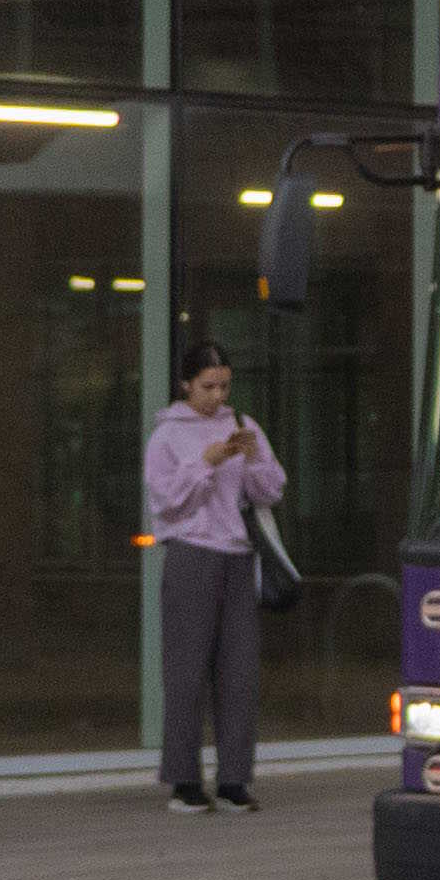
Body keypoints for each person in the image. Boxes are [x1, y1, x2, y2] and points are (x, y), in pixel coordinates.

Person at [143, 344, 288, 815]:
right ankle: (184, 781)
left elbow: (272, 491)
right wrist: (204, 462)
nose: (217, 395)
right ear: (186, 383)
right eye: (207, 385)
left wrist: (249, 459)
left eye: (224, 385)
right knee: (186, 671)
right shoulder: (166, 435)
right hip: (190, 554)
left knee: (239, 672)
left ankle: (234, 779)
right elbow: (164, 503)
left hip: (238, 556)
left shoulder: (241, 424)